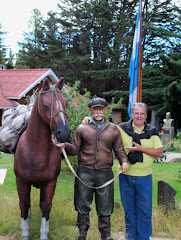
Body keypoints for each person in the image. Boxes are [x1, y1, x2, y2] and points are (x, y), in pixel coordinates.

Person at [65, 97, 129, 240]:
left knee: (105, 206)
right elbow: (75, 149)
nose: (98, 112)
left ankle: (105, 235)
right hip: (84, 172)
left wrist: (124, 161)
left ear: (106, 110)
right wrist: (64, 146)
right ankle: (82, 234)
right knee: (82, 205)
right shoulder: (82, 128)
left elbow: (119, 150)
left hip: (104, 172)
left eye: (101, 109)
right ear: (90, 110)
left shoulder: (113, 129)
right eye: (95, 109)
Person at [118, 102, 163, 240]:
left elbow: (159, 152)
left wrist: (141, 149)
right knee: (129, 211)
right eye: (136, 113)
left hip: (144, 178)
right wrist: (88, 120)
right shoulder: (121, 129)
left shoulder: (152, 130)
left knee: (145, 211)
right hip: (125, 176)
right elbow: (102, 126)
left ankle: (144, 238)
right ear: (131, 114)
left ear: (146, 115)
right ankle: (131, 237)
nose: (139, 116)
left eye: (142, 113)